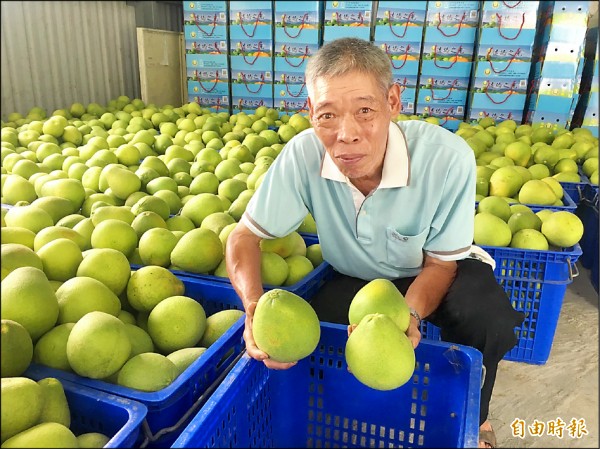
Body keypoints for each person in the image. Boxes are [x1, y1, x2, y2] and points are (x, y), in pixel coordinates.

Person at [226, 37, 524, 449]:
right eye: (327, 115)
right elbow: (244, 235)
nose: (346, 135)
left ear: (393, 101)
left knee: (485, 314)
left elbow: (441, 264)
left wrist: (410, 315)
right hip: (357, 275)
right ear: (310, 113)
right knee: (306, 333)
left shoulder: (446, 157)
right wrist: (254, 306)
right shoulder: (302, 155)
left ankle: (479, 416)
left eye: (365, 110)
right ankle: (339, 413)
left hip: (434, 270)